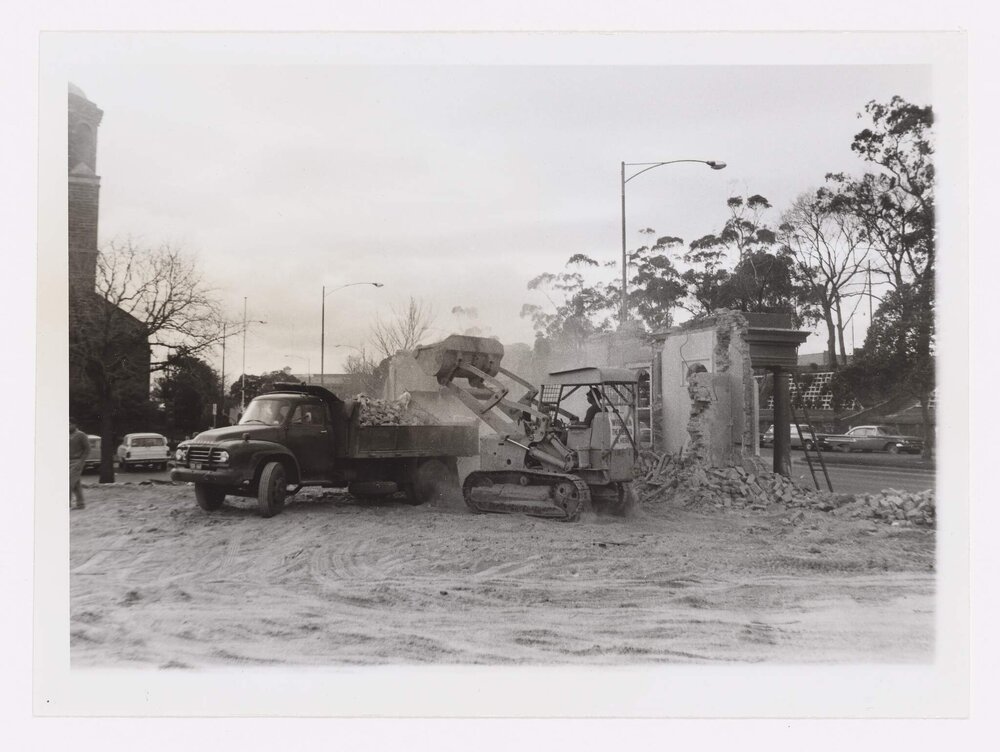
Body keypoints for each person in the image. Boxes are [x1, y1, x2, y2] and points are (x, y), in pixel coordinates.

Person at [69, 418, 90, 509]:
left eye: (70, 424)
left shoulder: (81, 435)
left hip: (77, 461)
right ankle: (81, 504)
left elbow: (87, 449)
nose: (68, 426)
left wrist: (81, 461)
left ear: (75, 424)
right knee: (76, 483)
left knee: (68, 482)